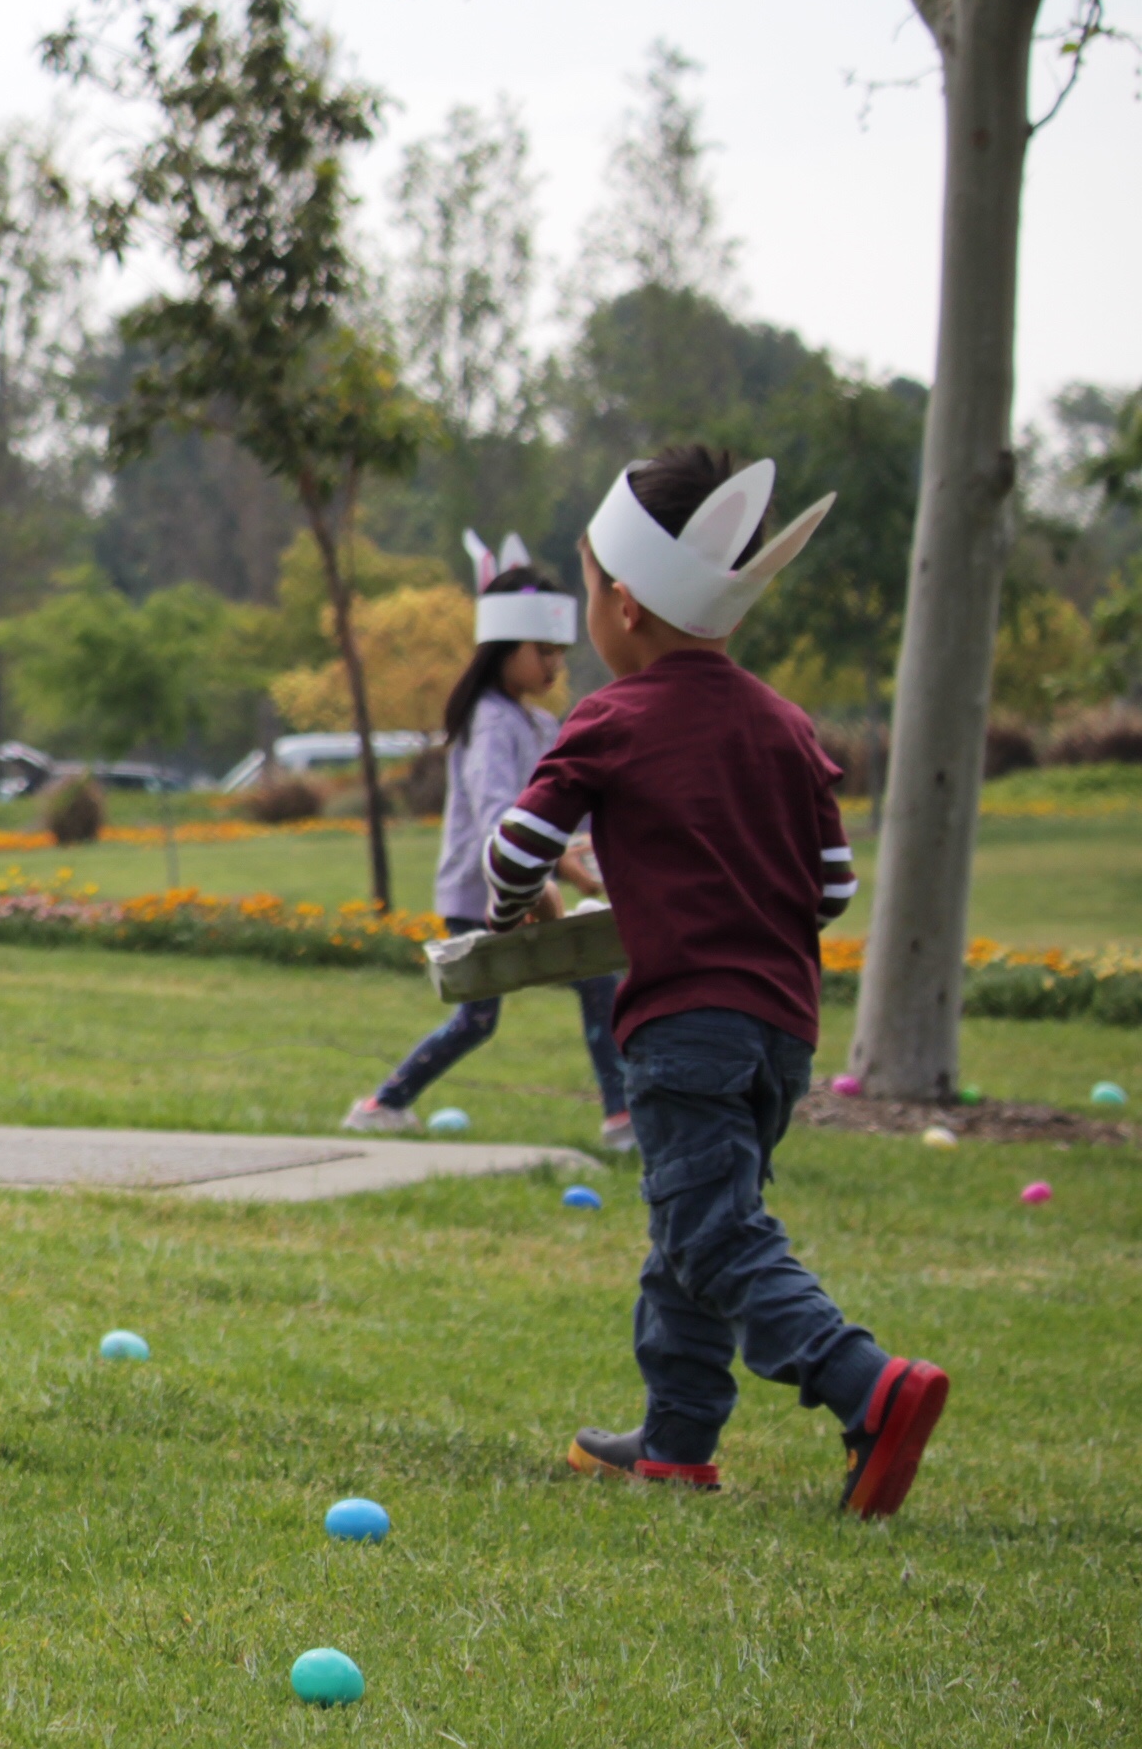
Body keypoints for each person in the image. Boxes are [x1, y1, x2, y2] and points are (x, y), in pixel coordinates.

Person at [485, 444, 947, 1516]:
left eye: (589, 590)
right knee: (692, 1222)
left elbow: (515, 850)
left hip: (685, 1024)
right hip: (782, 1032)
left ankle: (866, 1385)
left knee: (710, 1230)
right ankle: (676, 1441)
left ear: (625, 603)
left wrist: (514, 917)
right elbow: (831, 887)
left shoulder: (613, 718)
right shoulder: (785, 723)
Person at [344, 534, 631, 1148]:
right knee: (487, 1015)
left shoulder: (540, 723)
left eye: (560, 654)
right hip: (482, 897)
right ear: (503, 649)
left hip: (527, 888)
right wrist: (565, 867)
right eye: (543, 652)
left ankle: (620, 1116)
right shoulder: (490, 723)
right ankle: (381, 1104)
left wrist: (589, 848)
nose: (554, 666)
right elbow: (497, 818)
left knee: (571, 990)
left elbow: (561, 807)